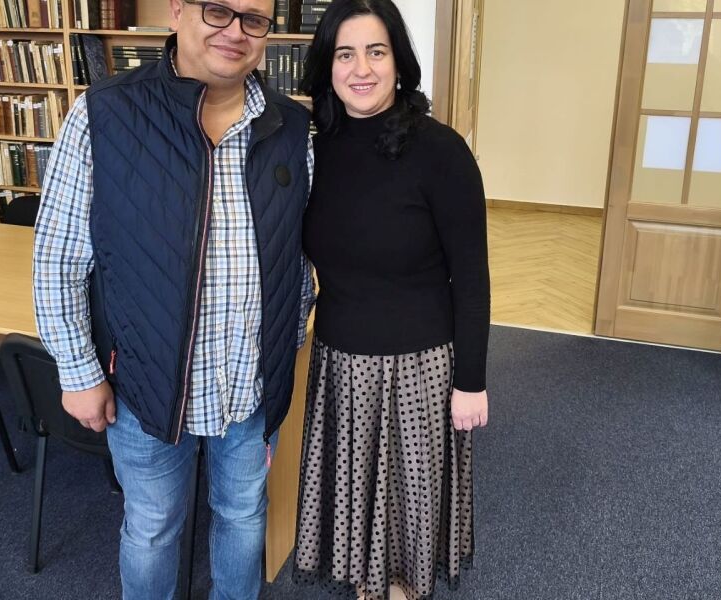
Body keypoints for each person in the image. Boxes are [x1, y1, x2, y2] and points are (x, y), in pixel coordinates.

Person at [32, 0, 314, 597]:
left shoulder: (290, 127)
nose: (235, 32)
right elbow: (58, 256)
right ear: (178, 11)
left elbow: (298, 254)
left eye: (254, 19)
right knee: (153, 528)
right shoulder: (105, 114)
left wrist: (289, 344)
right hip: (146, 387)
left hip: (252, 386)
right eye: (218, 11)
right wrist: (78, 370)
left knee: (244, 515)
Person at [293, 1, 490, 599]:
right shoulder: (315, 149)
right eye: (345, 54)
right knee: (357, 497)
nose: (361, 69)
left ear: (398, 62)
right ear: (327, 66)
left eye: (375, 52)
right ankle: (367, 583)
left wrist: (471, 381)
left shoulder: (441, 151)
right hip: (339, 360)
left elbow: (472, 276)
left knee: (406, 507)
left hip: (418, 366)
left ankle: (401, 587)